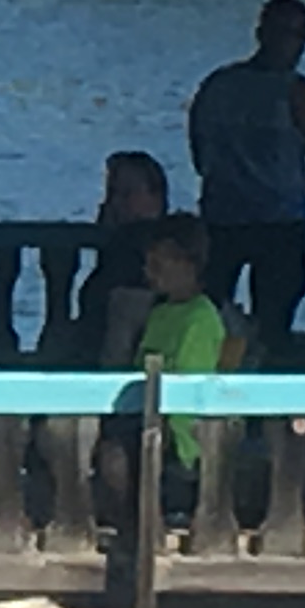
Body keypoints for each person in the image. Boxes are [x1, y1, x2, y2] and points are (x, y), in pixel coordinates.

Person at [185, 0, 305, 342]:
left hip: (221, 221)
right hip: (279, 226)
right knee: (272, 327)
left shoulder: (216, 87)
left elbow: (200, 159)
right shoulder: (303, 97)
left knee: (209, 317)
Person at [98, 214, 227, 521]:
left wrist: (174, 440)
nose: (149, 273)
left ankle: (144, 519)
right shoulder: (159, 314)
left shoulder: (200, 318)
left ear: (187, 263)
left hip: (178, 431)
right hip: (146, 414)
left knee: (117, 454)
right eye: (148, 264)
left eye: (159, 264)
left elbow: (190, 388)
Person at [59, 151, 171, 368]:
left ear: (156, 197)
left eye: (128, 193)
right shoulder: (118, 244)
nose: (117, 202)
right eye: (112, 193)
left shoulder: (147, 246)